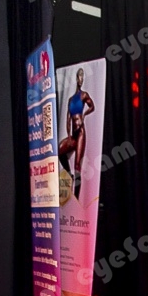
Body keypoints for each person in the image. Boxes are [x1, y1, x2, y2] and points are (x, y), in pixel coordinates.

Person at [58, 67, 94, 200]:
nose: (81, 80)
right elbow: (68, 119)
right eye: (79, 77)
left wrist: (84, 114)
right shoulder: (71, 99)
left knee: (77, 164)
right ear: (76, 79)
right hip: (73, 134)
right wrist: (68, 135)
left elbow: (92, 106)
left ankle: (76, 197)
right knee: (59, 150)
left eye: (82, 77)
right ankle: (69, 175)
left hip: (81, 133)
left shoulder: (84, 95)